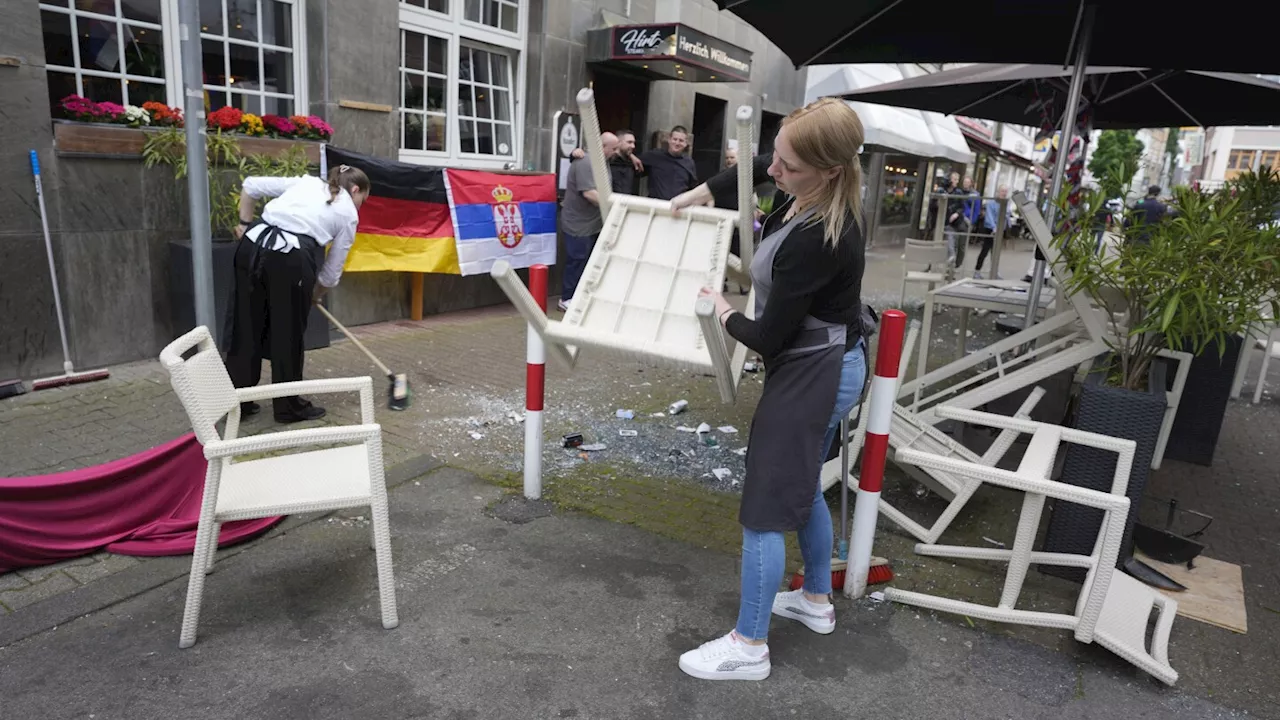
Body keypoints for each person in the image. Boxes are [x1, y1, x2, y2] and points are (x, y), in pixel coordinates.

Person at [669, 97, 868, 682]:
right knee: (803, 484)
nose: (772, 172)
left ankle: (749, 646)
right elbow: (753, 166)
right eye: (775, 158)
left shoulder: (818, 238)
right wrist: (697, 194)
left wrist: (722, 310)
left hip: (815, 368)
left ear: (827, 170)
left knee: (765, 505)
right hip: (832, 358)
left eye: (787, 167)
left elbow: (770, 339)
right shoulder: (812, 185)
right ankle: (814, 601)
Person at [225, 165, 370, 423]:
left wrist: (245, 225)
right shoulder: (348, 212)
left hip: (251, 246)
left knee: (246, 324)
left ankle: (237, 403)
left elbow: (250, 186)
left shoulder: (307, 183)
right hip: (289, 259)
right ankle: (288, 407)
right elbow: (331, 273)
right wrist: (315, 294)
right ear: (355, 189)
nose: (361, 205)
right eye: (363, 200)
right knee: (287, 332)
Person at [558, 132, 618, 311]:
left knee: (588, 261)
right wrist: (615, 205)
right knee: (576, 260)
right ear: (603, 147)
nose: (615, 152)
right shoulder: (586, 162)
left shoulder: (603, 161)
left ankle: (580, 296)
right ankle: (567, 298)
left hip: (593, 223)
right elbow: (589, 193)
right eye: (613, 149)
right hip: (578, 224)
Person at [636, 125, 699, 200]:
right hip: (655, 204)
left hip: (678, 207)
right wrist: (631, 156)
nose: (677, 143)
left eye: (681, 140)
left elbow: (693, 187)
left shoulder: (689, 162)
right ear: (669, 140)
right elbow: (634, 164)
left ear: (685, 143)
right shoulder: (655, 156)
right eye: (675, 139)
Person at [974, 184, 1012, 279]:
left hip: (1000, 230)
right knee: (985, 250)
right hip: (990, 229)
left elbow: (1007, 215)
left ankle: (995, 272)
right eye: (1002, 191)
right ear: (998, 192)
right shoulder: (991, 202)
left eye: (1005, 191)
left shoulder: (1006, 203)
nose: (1004, 193)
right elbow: (989, 216)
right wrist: (993, 227)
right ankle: (977, 271)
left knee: (996, 252)